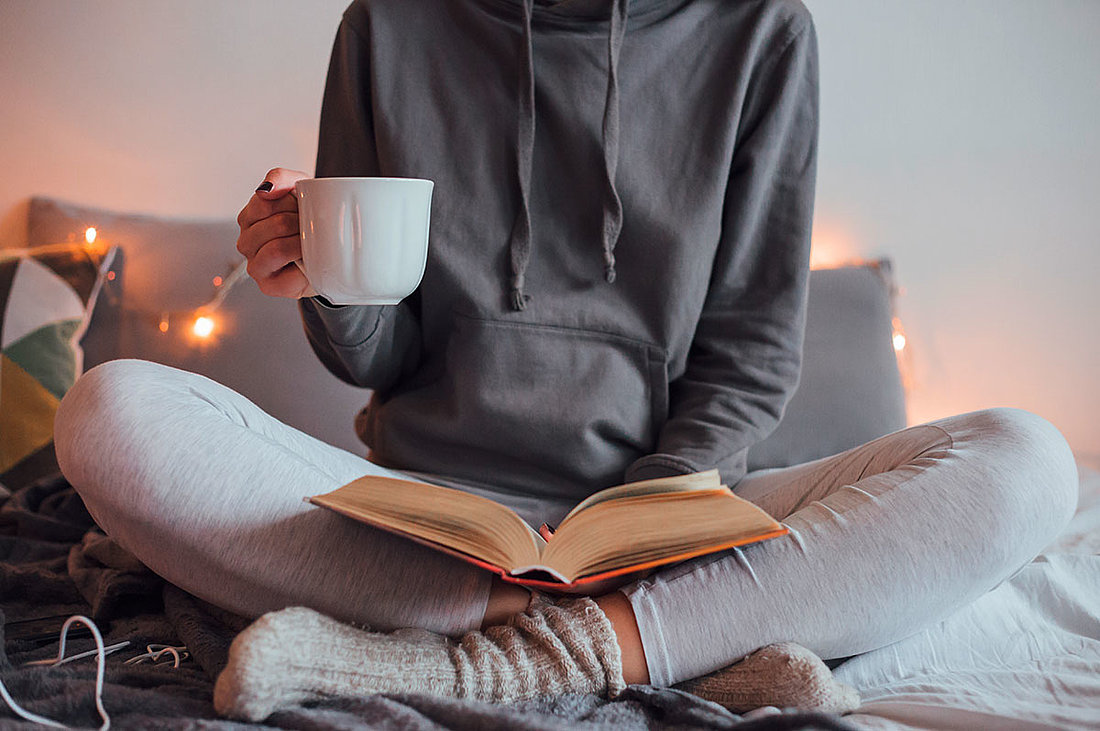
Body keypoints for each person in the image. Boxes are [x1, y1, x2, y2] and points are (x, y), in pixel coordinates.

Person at [54, 0, 1079, 722]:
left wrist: (654, 520)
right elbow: (385, 353)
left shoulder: (762, 31)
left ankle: (524, 644)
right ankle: (673, 642)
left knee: (1025, 459)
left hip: (676, 511)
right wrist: (326, 284)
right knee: (109, 409)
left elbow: (752, 347)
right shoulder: (386, 25)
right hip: (419, 512)